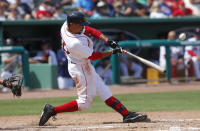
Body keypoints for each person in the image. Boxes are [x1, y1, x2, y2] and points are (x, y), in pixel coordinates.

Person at [39, 11, 147, 126]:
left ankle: (126, 115)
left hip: (84, 64)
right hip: (80, 68)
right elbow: (94, 56)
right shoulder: (74, 43)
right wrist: (113, 51)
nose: (82, 26)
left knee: (104, 92)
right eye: (80, 24)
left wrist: (108, 41)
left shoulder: (67, 25)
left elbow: (90, 30)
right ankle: (52, 110)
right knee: (84, 103)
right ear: (72, 24)